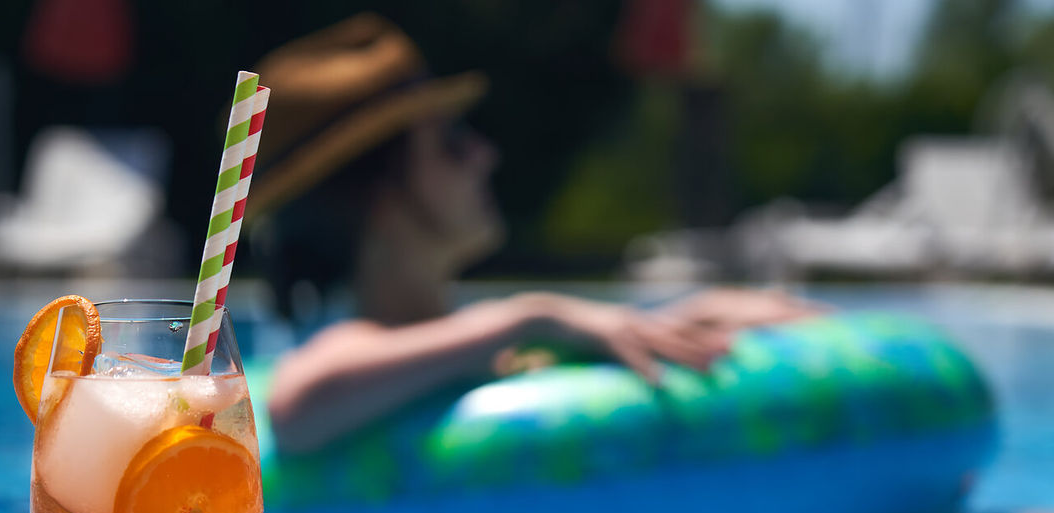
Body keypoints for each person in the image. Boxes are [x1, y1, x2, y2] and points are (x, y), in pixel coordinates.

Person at [246, 14, 822, 455]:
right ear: (376, 195)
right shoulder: (347, 348)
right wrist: (534, 314)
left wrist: (689, 317)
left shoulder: (455, 341)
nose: (484, 154)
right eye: (450, 142)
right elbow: (298, 403)